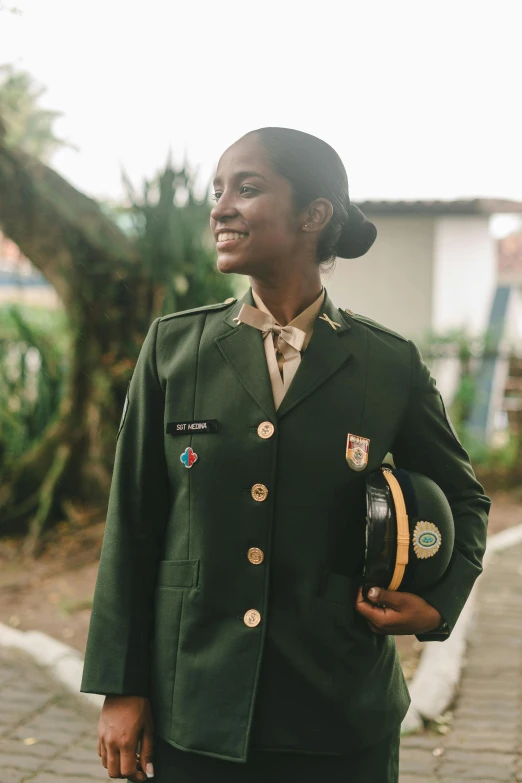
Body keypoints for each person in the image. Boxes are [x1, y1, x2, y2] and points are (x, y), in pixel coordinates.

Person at [81, 127, 490, 782]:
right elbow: (132, 525)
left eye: (247, 188)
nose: (220, 207)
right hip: (196, 710)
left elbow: (465, 496)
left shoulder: (386, 364)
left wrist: (438, 601)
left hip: (338, 713)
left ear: (314, 214)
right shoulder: (173, 349)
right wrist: (120, 686)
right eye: (218, 191)